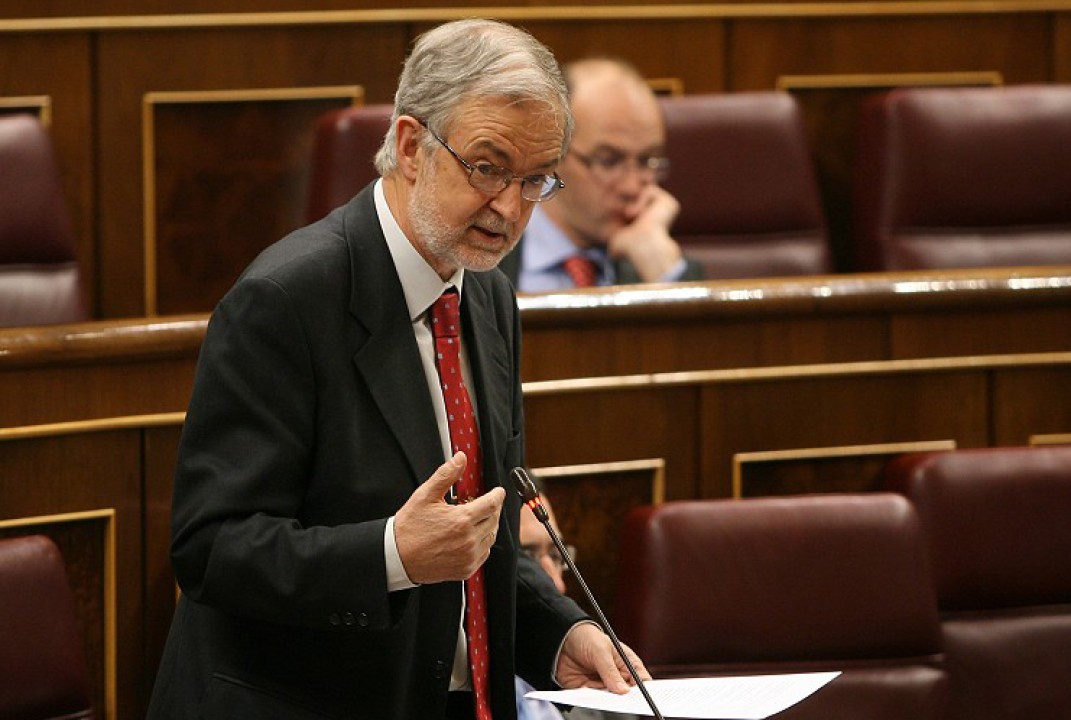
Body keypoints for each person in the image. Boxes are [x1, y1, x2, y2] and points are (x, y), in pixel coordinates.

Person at [145, 18, 649, 720]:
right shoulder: (287, 300)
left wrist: (560, 633)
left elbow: (481, 535)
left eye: (535, 179)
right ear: (412, 146)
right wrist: (390, 555)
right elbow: (211, 549)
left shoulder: (488, 295)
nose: (510, 208)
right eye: (487, 167)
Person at [498, 57, 705, 291]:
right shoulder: (485, 249)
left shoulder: (665, 266)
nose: (631, 187)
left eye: (647, 160)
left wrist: (662, 269)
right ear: (553, 155)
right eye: (609, 161)